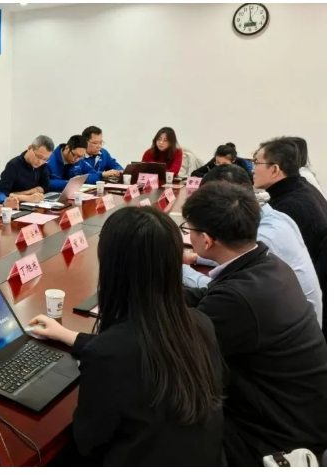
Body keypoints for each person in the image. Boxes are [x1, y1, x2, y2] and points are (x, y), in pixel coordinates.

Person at [30, 206, 225, 466]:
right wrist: (70, 336)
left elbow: (88, 442)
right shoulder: (200, 323)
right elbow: (141, 347)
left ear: (112, 267)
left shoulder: (108, 354)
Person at [181, 182, 327, 466]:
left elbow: (177, 347)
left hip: (277, 436)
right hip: (302, 413)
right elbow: (208, 296)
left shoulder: (239, 298)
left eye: (190, 230)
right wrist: (158, 292)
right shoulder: (268, 264)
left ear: (207, 240)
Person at [182, 165, 323, 327]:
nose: (254, 169)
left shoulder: (265, 238)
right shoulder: (268, 242)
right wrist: (195, 258)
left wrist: (178, 269)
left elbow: (219, 295)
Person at [252, 137, 327, 336]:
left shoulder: (288, 208)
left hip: (302, 312)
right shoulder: (301, 188)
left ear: (274, 169)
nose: (252, 169)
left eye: (256, 163)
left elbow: (250, 255)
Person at [0, 135, 53, 202]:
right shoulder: (13, 165)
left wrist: (29, 193)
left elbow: (45, 187)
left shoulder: (42, 165)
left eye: (45, 159)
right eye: (39, 157)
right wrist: (28, 197)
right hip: (15, 204)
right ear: (30, 148)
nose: (40, 162)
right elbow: (2, 193)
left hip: (35, 203)